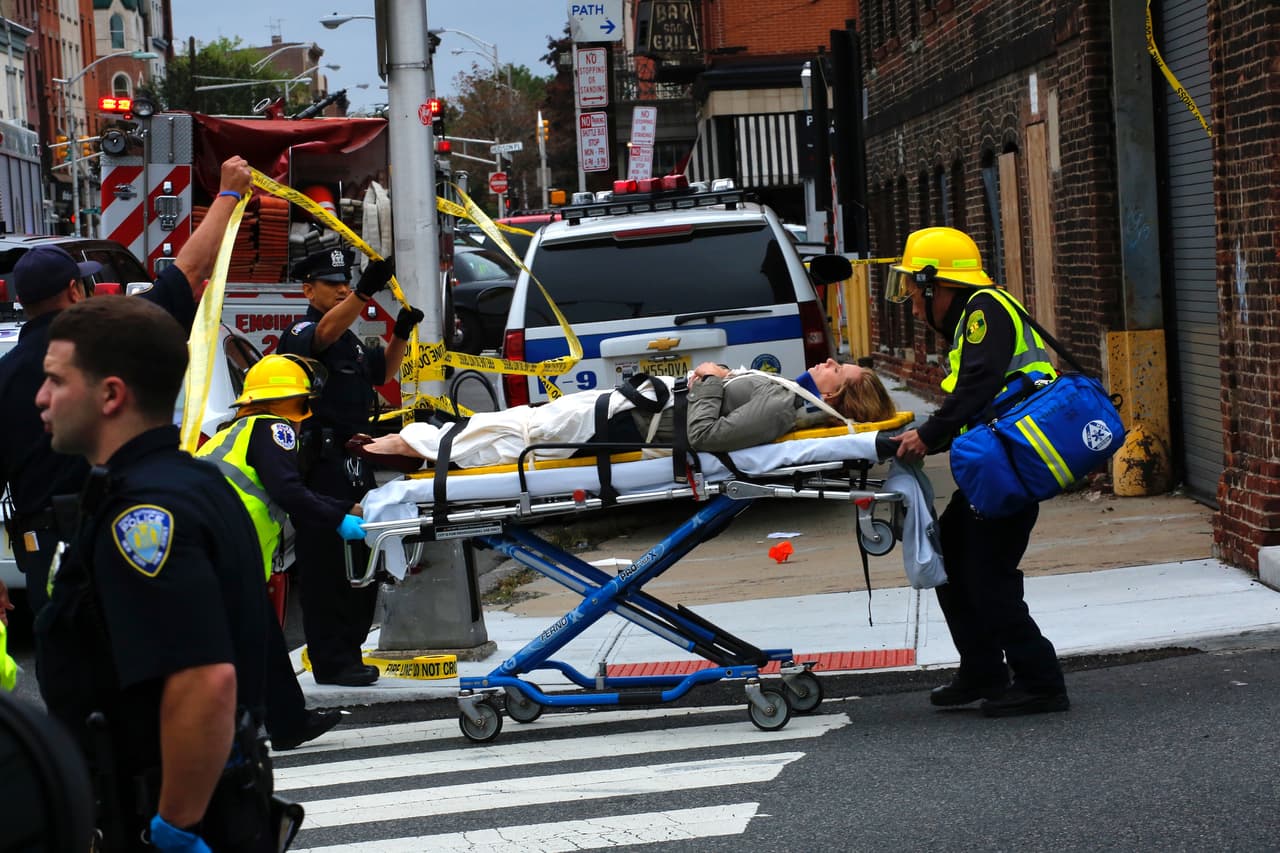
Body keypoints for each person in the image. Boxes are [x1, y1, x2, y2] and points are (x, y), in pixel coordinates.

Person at [33, 296, 276, 851]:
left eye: (56, 380)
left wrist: (174, 827)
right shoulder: (194, 483)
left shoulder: (143, 517)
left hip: (154, 816)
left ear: (111, 395)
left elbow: (203, 680)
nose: (41, 397)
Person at [0, 156, 253, 616]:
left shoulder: (6, 373)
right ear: (75, 291)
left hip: (43, 548)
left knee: (66, 651)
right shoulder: (112, 339)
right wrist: (228, 194)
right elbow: (188, 271)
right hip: (126, 532)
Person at [885, 226, 1068, 717]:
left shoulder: (984, 311)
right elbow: (979, 399)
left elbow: (980, 385)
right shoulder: (975, 316)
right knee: (951, 554)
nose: (913, 307)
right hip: (995, 466)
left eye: (914, 293)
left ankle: (1041, 682)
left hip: (1009, 469)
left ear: (936, 284)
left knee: (986, 574)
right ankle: (983, 670)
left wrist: (929, 434)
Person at [196, 354, 367, 749]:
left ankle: (288, 720)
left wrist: (342, 508)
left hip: (216, 543)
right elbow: (287, 490)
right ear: (294, 401)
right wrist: (339, 517)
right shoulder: (274, 428)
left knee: (261, 635)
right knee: (236, 641)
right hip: (226, 547)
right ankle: (242, 728)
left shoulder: (231, 432)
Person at [276, 248, 419, 687]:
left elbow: (382, 374)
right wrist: (363, 292)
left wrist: (401, 333)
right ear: (308, 290)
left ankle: (350, 651)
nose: (341, 289)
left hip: (356, 461)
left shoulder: (351, 339)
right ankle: (331, 660)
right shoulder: (302, 331)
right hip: (321, 465)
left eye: (346, 282)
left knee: (359, 560)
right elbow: (321, 335)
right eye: (332, 283)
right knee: (325, 567)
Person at [356, 357, 898, 470]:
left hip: (628, 424)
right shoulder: (785, 395)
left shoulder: (784, 407)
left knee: (515, 434)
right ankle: (407, 446)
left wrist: (709, 378)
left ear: (837, 398)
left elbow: (704, 435)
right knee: (513, 425)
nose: (828, 363)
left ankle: (404, 449)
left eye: (838, 370)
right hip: (626, 409)